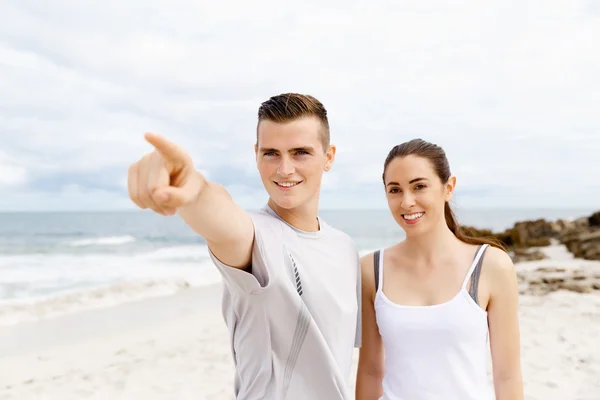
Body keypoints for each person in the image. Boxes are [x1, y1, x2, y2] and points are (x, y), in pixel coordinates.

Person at [127, 93, 361, 399]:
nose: (284, 169)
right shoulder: (257, 235)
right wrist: (192, 186)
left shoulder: (345, 248)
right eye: (271, 153)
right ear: (256, 154)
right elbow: (222, 218)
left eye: (300, 152)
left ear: (328, 157)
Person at [355, 139, 524, 400]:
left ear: (448, 188)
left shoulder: (491, 266)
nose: (406, 202)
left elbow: (507, 375)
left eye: (419, 186)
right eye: (395, 190)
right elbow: (370, 372)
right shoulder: (371, 271)